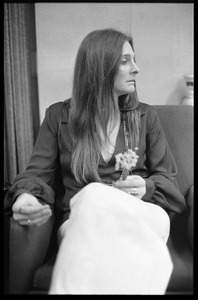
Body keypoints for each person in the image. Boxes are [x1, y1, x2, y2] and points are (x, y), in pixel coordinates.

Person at [4, 28, 186, 295]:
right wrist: (24, 197)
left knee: (95, 197)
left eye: (134, 60)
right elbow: (37, 173)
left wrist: (142, 187)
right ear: (99, 68)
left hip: (142, 214)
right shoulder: (58, 117)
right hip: (80, 220)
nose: (136, 69)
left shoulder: (146, 117)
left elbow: (167, 180)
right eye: (125, 61)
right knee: (94, 198)